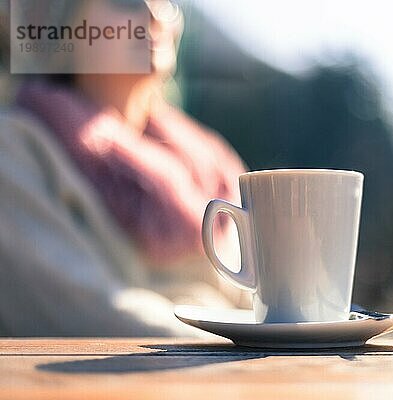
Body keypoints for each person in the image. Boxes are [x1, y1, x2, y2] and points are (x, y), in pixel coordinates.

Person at [0, 0, 249, 336]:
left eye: (166, 2)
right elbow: (84, 310)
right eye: (126, 1)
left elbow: (266, 297)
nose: (154, 14)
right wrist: (246, 342)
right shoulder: (17, 147)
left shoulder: (211, 159)